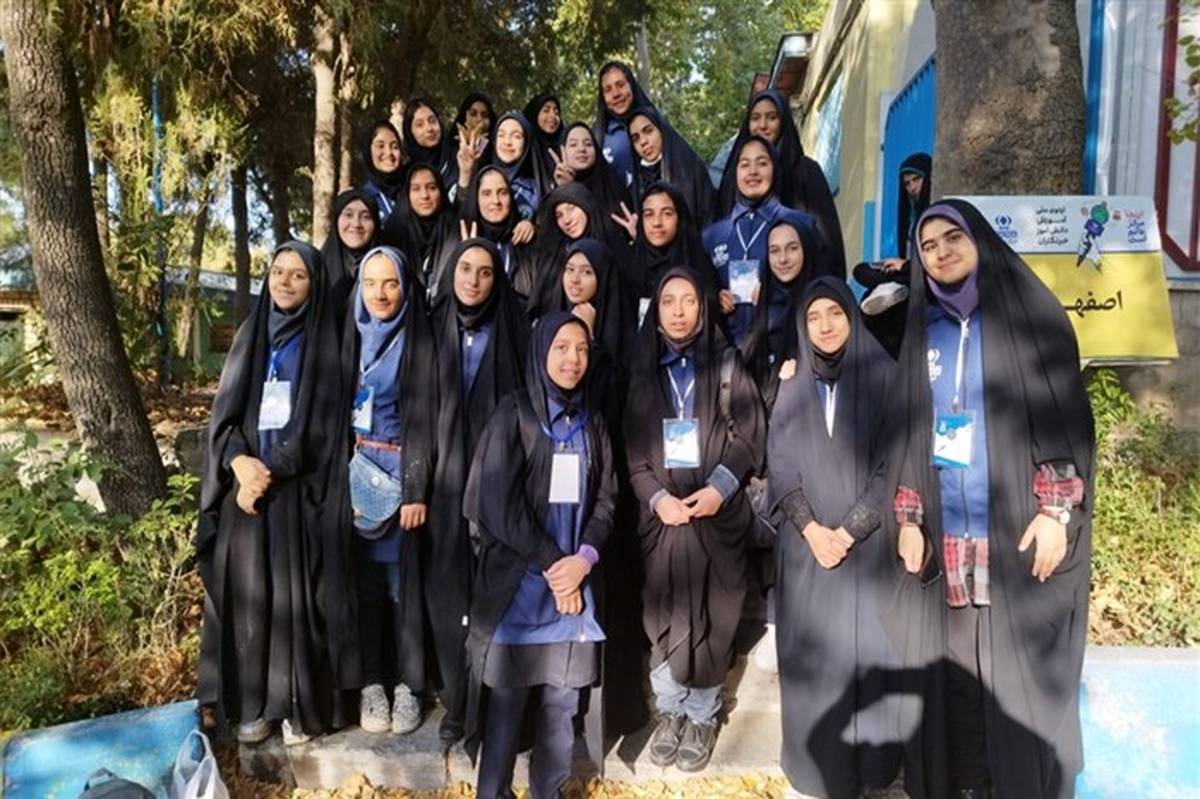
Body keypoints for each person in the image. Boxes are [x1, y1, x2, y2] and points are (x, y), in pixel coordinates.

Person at [884, 200, 1094, 799]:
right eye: (928, 246)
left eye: (953, 238)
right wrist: (909, 518)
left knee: (1018, 674)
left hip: (1017, 532)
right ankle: (972, 783)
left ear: (978, 239)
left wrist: (1056, 512)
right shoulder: (923, 328)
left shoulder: (1030, 316)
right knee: (960, 675)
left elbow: (1062, 419)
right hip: (949, 532)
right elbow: (907, 429)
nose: (941, 253)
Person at [197, 241, 350, 746]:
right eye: (278, 272)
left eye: (298, 275)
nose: (285, 282)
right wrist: (240, 464)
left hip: (298, 491)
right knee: (248, 597)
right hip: (246, 488)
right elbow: (225, 415)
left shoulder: (325, 340)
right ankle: (251, 703)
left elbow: (322, 424)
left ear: (314, 284)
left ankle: (293, 705)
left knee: (295, 601)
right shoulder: (250, 334)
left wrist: (269, 472)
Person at [462, 311, 617, 799]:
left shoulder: (592, 422)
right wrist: (554, 564)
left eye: (582, 349)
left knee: (561, 708)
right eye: (562, 348)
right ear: (540, 352)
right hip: (519, 590)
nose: (573, 359)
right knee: (506, 707)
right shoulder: (513, 415)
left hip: (572, 594)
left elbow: (607, 500)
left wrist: (582, 560)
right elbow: (496, 506)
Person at [768, 277, 905, 799]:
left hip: (865, 552)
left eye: (834, 313)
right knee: (812, 663)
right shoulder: (792, 384)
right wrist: (811, 529)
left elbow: (894, 465)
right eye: (813, 317)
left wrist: (846, 534)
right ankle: (813, 769)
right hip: (806, 554)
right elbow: (780, 463)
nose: (824, 326)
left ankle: (871, 769)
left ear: (852, 316)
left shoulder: (885, 377)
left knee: (865, 657)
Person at [624, 268, 766, 772]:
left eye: (689, 301)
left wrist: (717, 490)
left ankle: (702, 714)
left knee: (716, 615)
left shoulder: (726, 363)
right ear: (656, 311)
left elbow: (749, 435)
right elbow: (632, 451)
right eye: (669, 302)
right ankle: (669, 709)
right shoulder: (642, 368)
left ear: (704, 308)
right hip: (662, 521)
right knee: (661, 613)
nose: (679, 311)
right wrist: (657, 499)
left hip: (715, 518)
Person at [426, 238, 530, 744]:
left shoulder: (516, 330)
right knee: (448, 597)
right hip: (442, 486)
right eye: (465, 268)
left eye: (485, 272)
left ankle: (491, 705)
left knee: (494, 597)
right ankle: (456, 701)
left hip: (499, 489)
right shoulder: (431, 328)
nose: (473, 280)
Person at [341, 246, 435, 735]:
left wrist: (416, 488)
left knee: (403, 591)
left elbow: (427, 420)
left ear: (405, 288)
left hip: (402, 481)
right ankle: (371, 684)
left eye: (391, 283)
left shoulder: (419, 340)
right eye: (371, 283)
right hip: (356, 478)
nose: (380, 293)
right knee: (366, 591)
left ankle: (407, 685)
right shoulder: (347, 337)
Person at [703, 136, 819, 346]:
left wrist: (774, 295)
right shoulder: (712, 236)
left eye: (762, 163)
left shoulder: (800, 226)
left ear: (775, 169)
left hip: (785, 348)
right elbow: (700, 289)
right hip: (728, 353)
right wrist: (714, 297)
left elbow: (817, 287)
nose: (753, 172)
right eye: (744, 164)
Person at [717, 89, 846, 273]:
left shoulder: (805, 172)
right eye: (755, 118)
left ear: (783, 121)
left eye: (771, 117)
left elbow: (827, 240)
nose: (762, 125)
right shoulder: (735, 177)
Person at [740, 219, 827, 412]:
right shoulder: (765, 298)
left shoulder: (823, 300)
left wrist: (803, 366)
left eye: (792, 248)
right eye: (774, 251)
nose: (782, 259)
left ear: (806, 248)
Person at [853, 153, 932, 357]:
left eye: (917, 180)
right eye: (907, 184)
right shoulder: (911, 213)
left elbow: (933, 262)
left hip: (923, 273)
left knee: (870, 302)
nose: (912, 188)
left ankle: (894, 287)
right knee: (861, 271)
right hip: (905, 270)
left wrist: (905, 266)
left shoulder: (934, 214)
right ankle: (892, 287)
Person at [622, 181, 720, 321]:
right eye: (649, 214)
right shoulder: (629, 266)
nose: (657, 223)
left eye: (667, 213)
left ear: (680, 217)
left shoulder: (698, 264)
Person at [381, 163, 458, 306]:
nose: (425, 196)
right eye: (416, 189)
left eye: (432, 188)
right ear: (407, 194)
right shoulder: (394, 231)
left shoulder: (454, 229)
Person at [457, 165, 538, 297]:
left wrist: (536, 232)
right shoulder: (460, 238)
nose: (495, 201)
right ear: (476, 199)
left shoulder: (525, 237)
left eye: (503, 193)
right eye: (486, 193)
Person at [626, 106, 715, 225]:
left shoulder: (690, 168)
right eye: (635, 138)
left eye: (648, 131)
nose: (643, 141)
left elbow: (709, 216)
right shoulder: (636, 184)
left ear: (661, 130)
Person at [550, 122, 633, 225]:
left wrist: (573, 188)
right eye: (573, 145)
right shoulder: (554, 192)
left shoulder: (614, 188)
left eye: (588, 144)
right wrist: (565, 190)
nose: (581, 149)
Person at [594, 61, 656, 188]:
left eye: (621, 85)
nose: (616, 94)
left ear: (631, 85)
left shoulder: (656, 122)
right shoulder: (597, 137)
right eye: (608, 90)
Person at [322, 189, 380, 311]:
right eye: (348, 215)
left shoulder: (390, 267)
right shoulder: (317, 269)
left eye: (366, 217)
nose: (356, 224)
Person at [487, 111, 548, 220]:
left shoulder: (538, 189)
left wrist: (534, 227)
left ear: (527, 143)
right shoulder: (482, 180)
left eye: (516, 136)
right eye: (501, 135)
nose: (507, 142)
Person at [403, 98, 460, 200]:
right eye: (420, 125)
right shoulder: (408, 173)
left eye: (432, 121)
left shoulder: (458, 154)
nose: (429, 128)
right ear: (410, 132)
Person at [358, 120, 406, 225]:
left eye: (394, 147)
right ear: (368, 151)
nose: (389, 152)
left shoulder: (414, 189)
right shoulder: (362, 199)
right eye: (380, 146)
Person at [523, 92, 565, 197]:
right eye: (546, 111)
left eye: (556, 112)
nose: (553, 116)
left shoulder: (564, 146)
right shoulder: (525, 149)